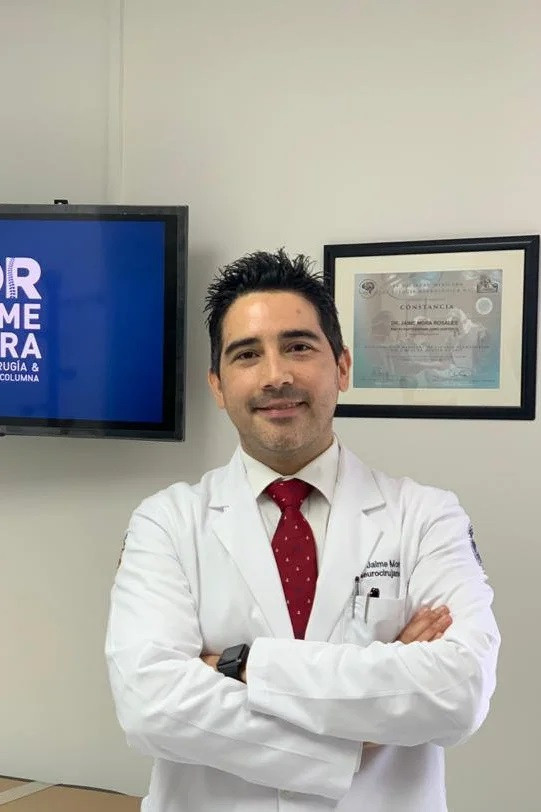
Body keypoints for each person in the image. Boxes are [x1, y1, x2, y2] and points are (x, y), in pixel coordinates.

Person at [105, 249, 500, 812]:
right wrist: (359, 732)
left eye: (298, 347)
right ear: (218, 385)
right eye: (247, 354)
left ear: (341, 367)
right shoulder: (166, 522)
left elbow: (458, 691)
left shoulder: (427, 516)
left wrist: (241, 665)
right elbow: (151, 706)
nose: (276, 376)